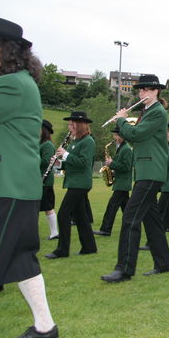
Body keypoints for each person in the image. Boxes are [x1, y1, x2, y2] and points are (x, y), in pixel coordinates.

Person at [0, 16, 58, 337]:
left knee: (16, 259)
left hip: (7, 186)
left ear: (1, 49)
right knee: (22, 261)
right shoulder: (13, 82)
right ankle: (45, 327)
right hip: (12, 187)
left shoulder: (11, 84)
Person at [101, 74, 169, 282]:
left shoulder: (157, 112)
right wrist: (124, 121)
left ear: (156, 91)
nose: (142, 93)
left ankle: (124, 268)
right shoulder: (147, 111)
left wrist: (121, 119)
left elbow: (136, 135)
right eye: (140, 90)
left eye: (146, 89)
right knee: (152, 222)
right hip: (145, 172)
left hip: (151, 172)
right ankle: (163, 264)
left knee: (130, 218)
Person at [45, 111, 97, 259]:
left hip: (80, 183)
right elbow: (72, 163)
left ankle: (62, 250)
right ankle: (89, 247)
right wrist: (58, 163)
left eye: (71, 124)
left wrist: (66, 154)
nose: (69, 127)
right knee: (81, 216)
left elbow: (84, 163)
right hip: (74, 182)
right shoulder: (76, 141)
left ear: (79, 125)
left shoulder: (88, 141)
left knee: (63, 214)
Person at [94, 125, 133, 236]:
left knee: (112, 206)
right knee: (126, 208)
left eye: (116, 135)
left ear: (122, 136)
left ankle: (105, 229)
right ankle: (132, 226)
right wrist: (111, 169)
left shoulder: (126, 149)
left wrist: (112, 164)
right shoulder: (121, 148)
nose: (114, 137)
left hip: (122, 183)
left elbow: (126, 167)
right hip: (121, 182)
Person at [40, 120, 59, 241]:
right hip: (38, 179)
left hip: (45, 181)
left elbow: (46, 162)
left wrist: (31, 157)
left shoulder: (47, 145)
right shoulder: (40, 144)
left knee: (48, 207)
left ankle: (54, 232)